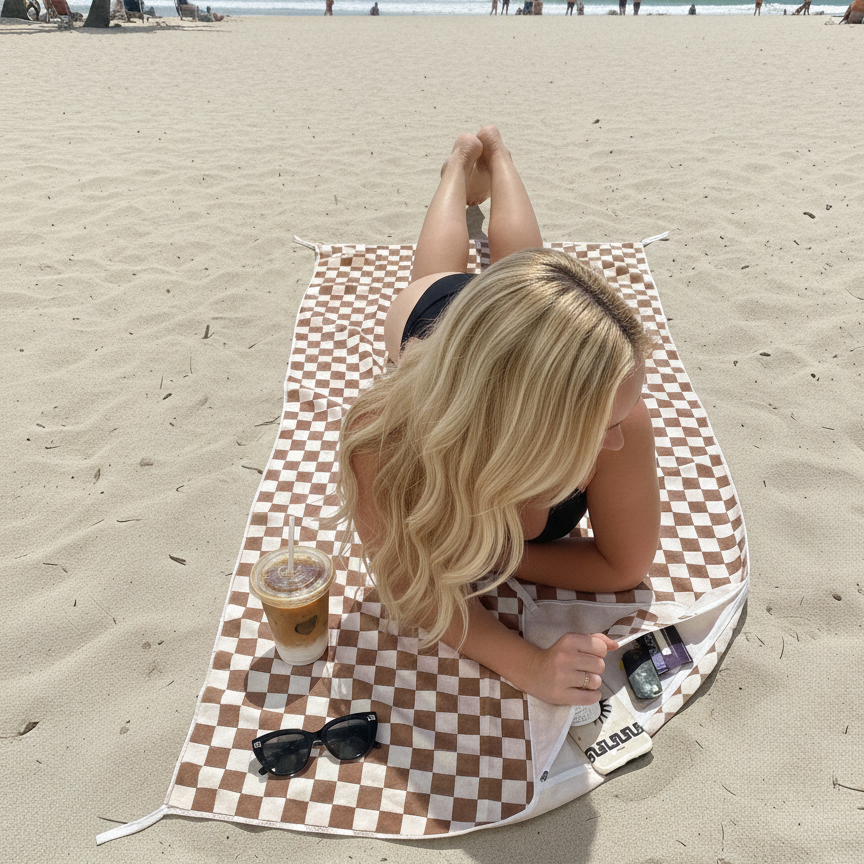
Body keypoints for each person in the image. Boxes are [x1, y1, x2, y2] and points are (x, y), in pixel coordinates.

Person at [328, 127, 660, 707]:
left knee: (528, 268)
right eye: (597, 426)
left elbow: (623, 566)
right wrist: (526, 665)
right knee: (431, 282)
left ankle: (498, 152)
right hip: (441, 333)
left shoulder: (617, 418)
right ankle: (457, 166)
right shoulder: (384, 438)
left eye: (621, 413)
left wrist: (484, 557)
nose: (616, 440)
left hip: (501, 345)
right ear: (524, 433)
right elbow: (409, 587)